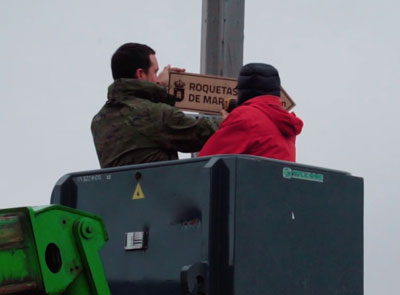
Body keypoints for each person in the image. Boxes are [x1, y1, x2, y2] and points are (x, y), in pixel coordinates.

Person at [91, 43, 219, 168]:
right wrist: (233, 115)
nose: (158, 79)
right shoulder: (154, 114)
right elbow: (206, 133)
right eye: (155, 72)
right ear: (140, 74)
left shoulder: (99, 121)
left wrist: (159, 88)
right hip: (158, 188)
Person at [198, 63, 303, 162]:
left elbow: (204, 162)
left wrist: (229, 123)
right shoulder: (285, 122)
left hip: (247, 181)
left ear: (244, 91)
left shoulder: (244, 117)